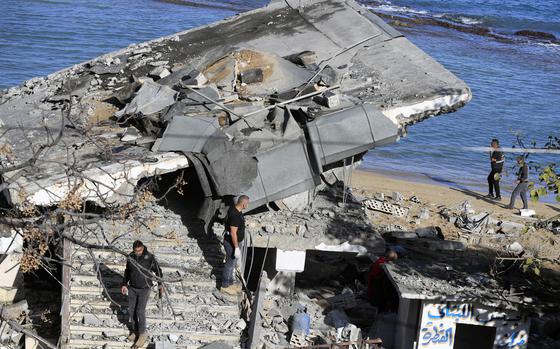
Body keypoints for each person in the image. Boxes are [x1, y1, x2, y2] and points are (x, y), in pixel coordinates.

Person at [120, 240, 163, 348]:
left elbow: (158, 271)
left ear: (143, 247)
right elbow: (127, 271)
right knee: (132, 310)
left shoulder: (149, 257)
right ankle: (135, 331)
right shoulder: (131, 256)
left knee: (140, 311)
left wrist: (160, 284)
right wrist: (124, 284)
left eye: (139, 251)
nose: (137, 253)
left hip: (145, 288)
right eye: (135, 251)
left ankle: (143, 334)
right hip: (133, 288)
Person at [221, 195, 249, 295]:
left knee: (233, 262)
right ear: (243, 203)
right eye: (247, 203)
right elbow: (233, 233)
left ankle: (230, 283)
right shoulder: (235, 215)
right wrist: (236, 248)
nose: (248, 205)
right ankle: (224, 286)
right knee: (230, 263)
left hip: (235, 241)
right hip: (231, 243)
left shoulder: (236, 210)